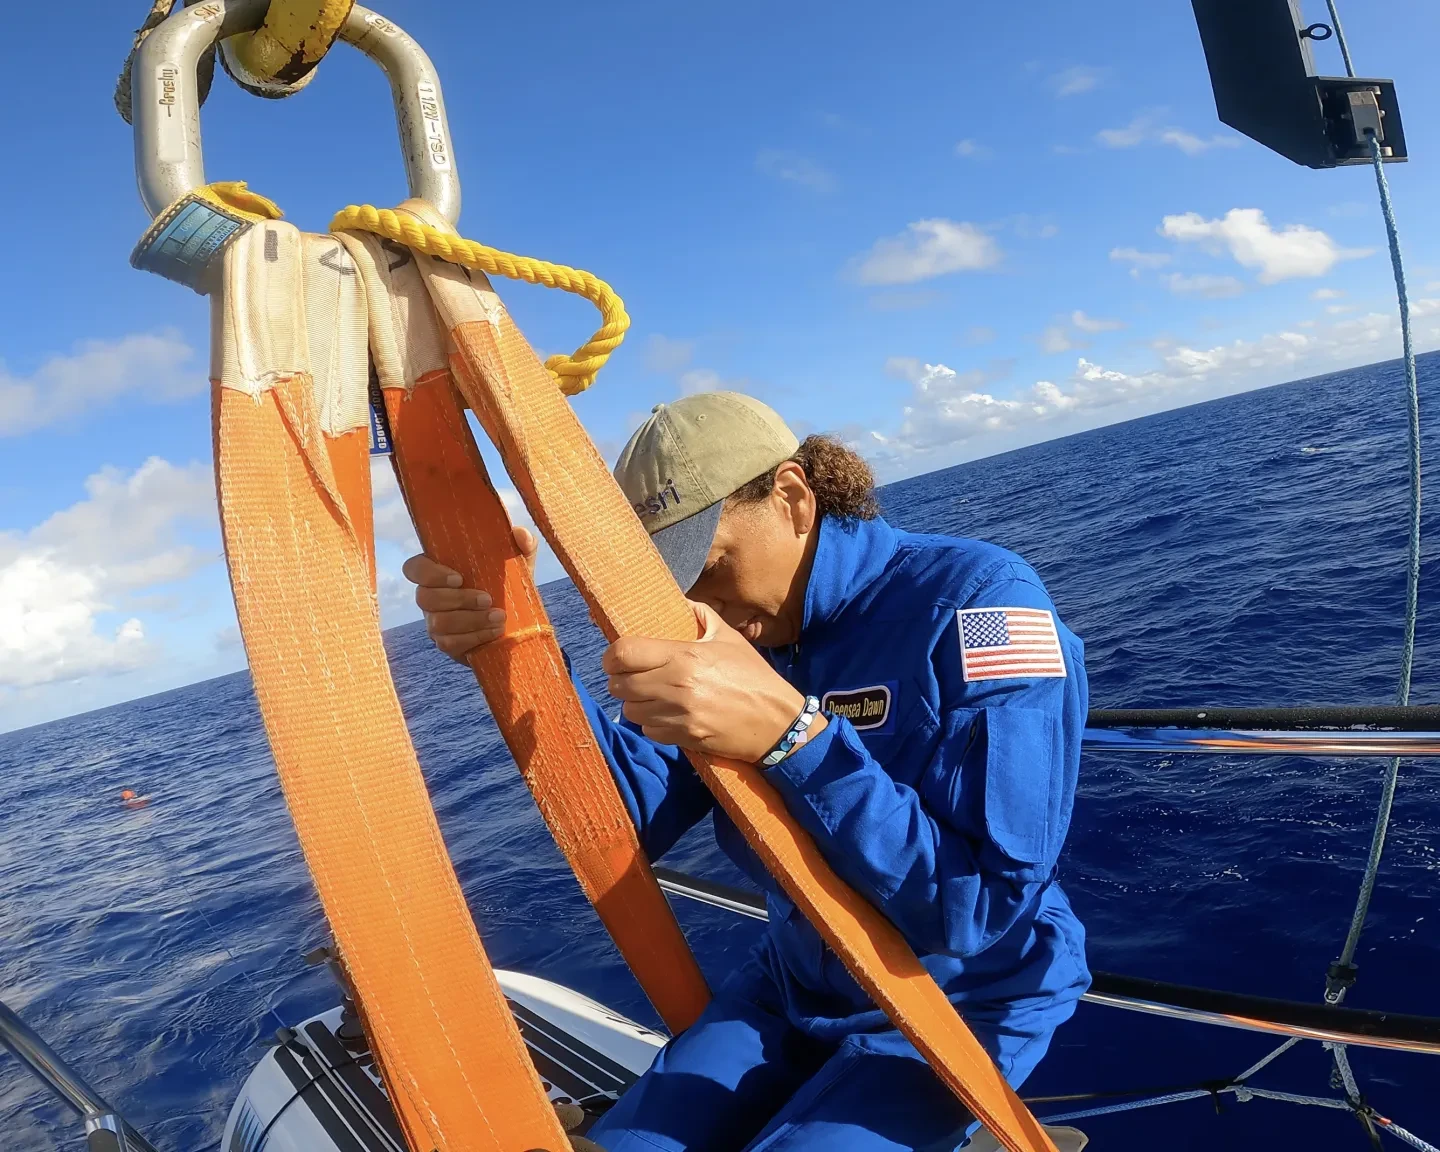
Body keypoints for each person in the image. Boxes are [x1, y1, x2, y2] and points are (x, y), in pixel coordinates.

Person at [404, 392, 1090, 1152]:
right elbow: (624, 818)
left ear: (793, 497)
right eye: (670, 583)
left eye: (709, 565)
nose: (697, 602)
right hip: (796, 986)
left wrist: (791, 738)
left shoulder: (980, 603)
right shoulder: (725, 631)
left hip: (965, 995)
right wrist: (516, 650)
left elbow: (977, 909)